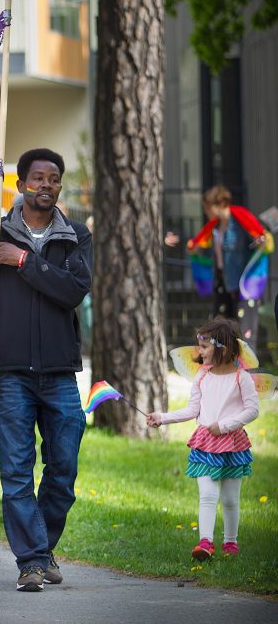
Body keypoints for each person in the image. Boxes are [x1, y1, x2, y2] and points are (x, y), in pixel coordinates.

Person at [0, 148, 91, 592]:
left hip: (59, 372)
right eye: (37, 177)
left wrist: (22, 261)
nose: (46, 184)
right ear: (20, 185)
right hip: (10, 372)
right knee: (16, 470)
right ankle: (32, 562)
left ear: (59, 185)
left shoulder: (75, 235)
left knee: (64, 469)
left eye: (53, 178)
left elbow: (73, 290)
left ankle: (42, 546)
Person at [147, 318, 259, 561]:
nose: (200, 352)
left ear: (224, 349)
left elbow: (252, 410)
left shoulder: (242, 379)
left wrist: (225, 425)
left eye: (205, 347)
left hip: (232, 444)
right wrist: (162, 418)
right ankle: (205, 543)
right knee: (208, 495)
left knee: (230, 499)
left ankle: (231, 544)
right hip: (206, 444)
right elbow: (192, 410)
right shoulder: (202, 377)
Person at [187, 185, 273, 346]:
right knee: (220, 331)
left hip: (242, 286)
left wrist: (261, 242)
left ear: (220, 204)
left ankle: (246, 370)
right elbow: (212, 256)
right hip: (222, 283)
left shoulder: (241, 222)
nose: (206, 211)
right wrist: (195, 249)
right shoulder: (215, 228)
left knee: (243, 335)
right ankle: (226, 370)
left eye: (208, 207)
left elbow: (258, 241)